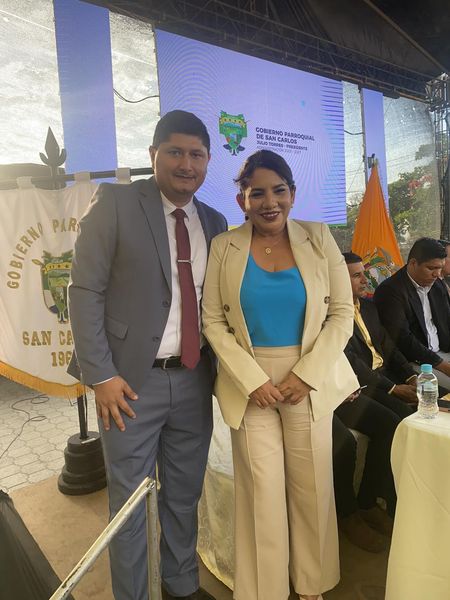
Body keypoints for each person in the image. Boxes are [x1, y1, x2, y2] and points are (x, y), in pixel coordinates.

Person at [68, 110, 227, 600]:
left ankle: (180, 585)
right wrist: (100, 376)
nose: (186, 164)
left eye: (197, 154)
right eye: (175, 152)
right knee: (130, 505)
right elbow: (84, 290)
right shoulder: (116, 203)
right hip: (129, 384)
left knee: (184, 494)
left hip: (195, 378)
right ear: (153, 155)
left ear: (208, 161)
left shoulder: (215, 221)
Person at [202, 150, 358, 600]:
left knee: (312, 487)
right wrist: (251, 380)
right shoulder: (224, 246)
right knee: (262, 492)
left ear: (293, 192)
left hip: (307, 380)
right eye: (257, 193)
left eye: (279, 190)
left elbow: (342, 314)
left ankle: (312, 584)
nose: (269, 202)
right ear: (242, 199)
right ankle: (264, 590)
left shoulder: (319, 238)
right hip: (250, 384)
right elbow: (213, 320)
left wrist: (306, 375)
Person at [343, 252, 417, 419]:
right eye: (357, 276)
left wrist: (411, 376)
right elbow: (353, 362)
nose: (365, 280)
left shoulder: (368, 307)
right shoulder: (331, 316)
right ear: (337, 279)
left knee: (439, 397)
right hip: (365, 382)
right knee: (406, 416)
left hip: (387, 373)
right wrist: (393, 388)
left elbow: (388, 346)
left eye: (364, 273)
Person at [373, 237, 450, 392]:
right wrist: (442, 365)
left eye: (440, 268)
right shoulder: (390, 291)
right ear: (413, 263)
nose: (437, 274)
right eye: (431, 268)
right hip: (416, 362)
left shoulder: (437, 284)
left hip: (443, 352)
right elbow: (403, 339)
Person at [333, 393, 400, 553]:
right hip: (310, 397)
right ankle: (347, 515)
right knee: (344, 443)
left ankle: (367, 502)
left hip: (333, 389)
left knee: (390, 425)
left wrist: (343, 384)